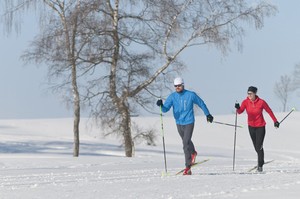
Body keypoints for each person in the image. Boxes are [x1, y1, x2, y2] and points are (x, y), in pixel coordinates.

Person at [156, 77, 213, 175]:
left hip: (189, 121)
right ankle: (193, 152)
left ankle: (188, 167)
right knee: (186, 141)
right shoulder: (172, 97)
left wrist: (208, 114)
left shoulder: (190, 95)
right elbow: (165, 109)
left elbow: (201, 103)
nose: (177, 87)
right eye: (175, 86)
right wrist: (161, 105)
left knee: (185, 143)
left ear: (183, 85)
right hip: (179, 122)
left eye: (179, 85)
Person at [235, 86, 280, 172]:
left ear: (255, 93)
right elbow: (240, 112)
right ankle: (261, 161)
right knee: (256, 147)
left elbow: (269, 111)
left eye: (250, 93)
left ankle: (260, 165)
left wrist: (275, 121)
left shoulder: (261, 102)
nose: (249, 95)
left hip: (260, 126)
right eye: (248, 93)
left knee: (259, 146)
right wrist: (237, 108)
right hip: (251, 126)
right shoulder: (245, 102)